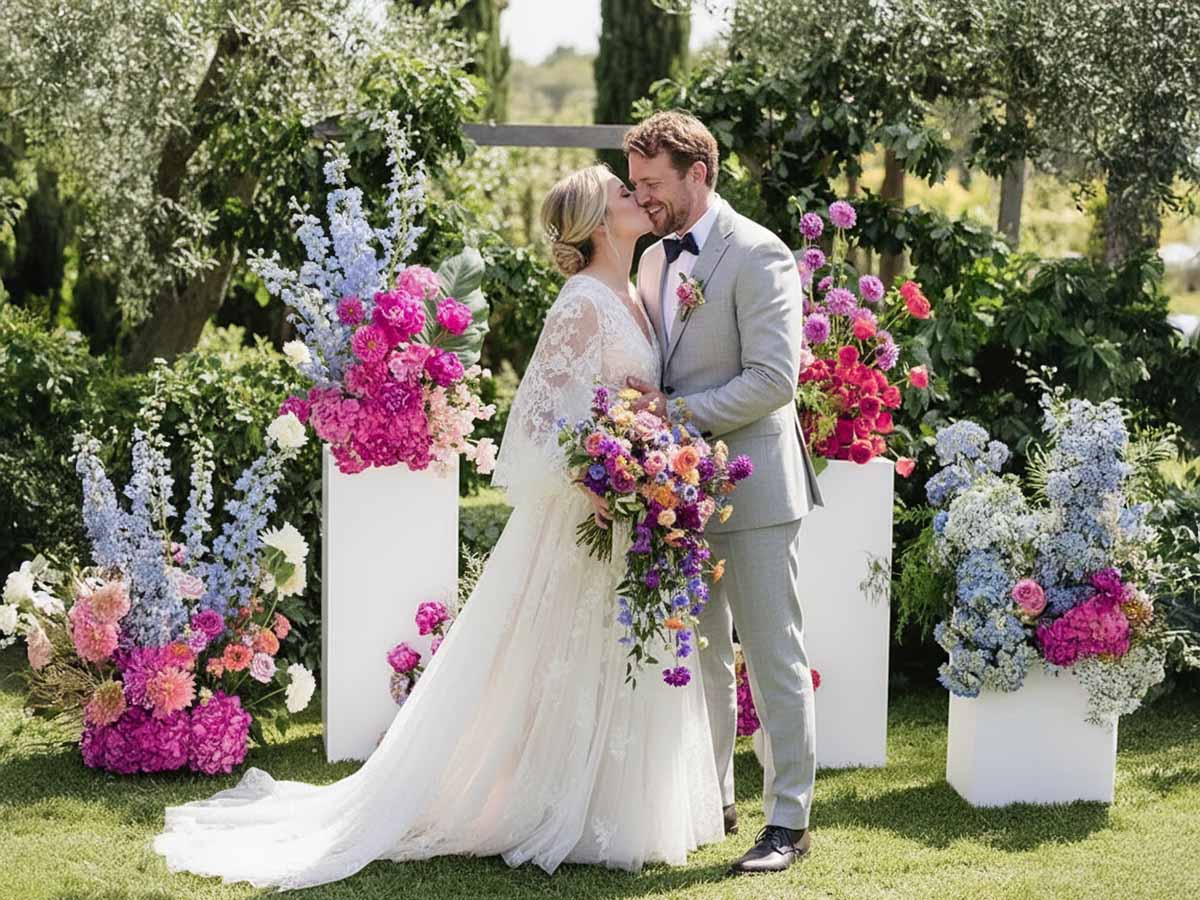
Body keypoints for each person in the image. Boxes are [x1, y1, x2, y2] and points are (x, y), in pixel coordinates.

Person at [152, 165, 723, 890]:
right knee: (568, 657)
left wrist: (647, 445)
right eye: (620, 191)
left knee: (616, 653)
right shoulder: (582, 302)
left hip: (632, 509)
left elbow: (622, 399)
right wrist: (595, 478)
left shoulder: (637, 293)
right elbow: (535, 423)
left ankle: (612, 806)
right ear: (597, 222)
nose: (636, 195)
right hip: (590, 515)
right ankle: (551, 805)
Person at [625, 110, 824, 876]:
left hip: (757, 491)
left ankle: (789, 822)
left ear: (699, 174)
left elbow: (774, 380)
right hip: (679, 496)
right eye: (635, 183)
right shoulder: (652, 259)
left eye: (653, 182)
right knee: (700, 653)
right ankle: (714, 801)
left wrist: (672, 415)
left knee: (773, 656)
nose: (642, 196)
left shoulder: (759, 253)